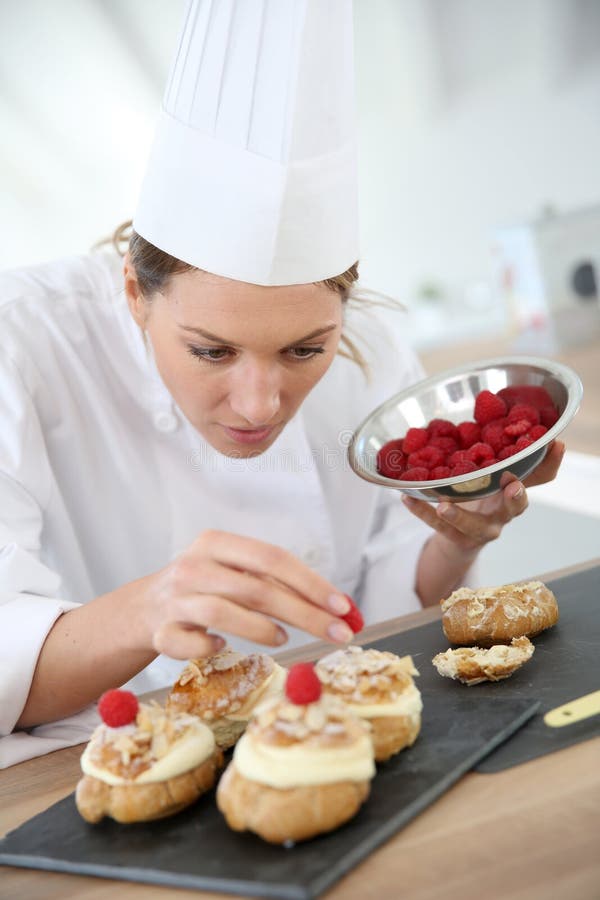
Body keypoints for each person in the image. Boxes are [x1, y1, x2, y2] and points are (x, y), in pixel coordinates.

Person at [0, 0, 563, 766]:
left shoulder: (371, 344)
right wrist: (150, 606)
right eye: (210, 351)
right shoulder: (21, 342)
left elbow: (396, 600)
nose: (260, 405)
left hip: (338, 739)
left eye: (304, 351)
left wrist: (459, 537)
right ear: (135, 293)